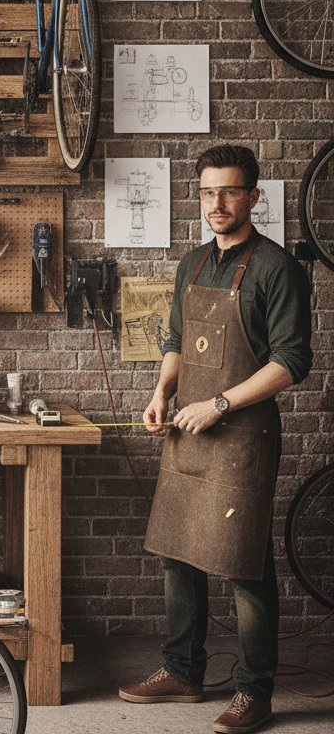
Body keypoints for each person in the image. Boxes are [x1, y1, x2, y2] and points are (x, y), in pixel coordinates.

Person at [118, 145, 312, 734]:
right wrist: (161, 395)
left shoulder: (279, 269)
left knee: (243, 565)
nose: (217, 203)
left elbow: (291, 362)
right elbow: (176, 342)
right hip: (189, 426)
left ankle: (255, 693)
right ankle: (183, 671)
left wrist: (222, 403)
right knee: (179, 550)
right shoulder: (193, 265)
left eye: (229, 191)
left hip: (243, 436)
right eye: (207, 192)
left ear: (254, 197)